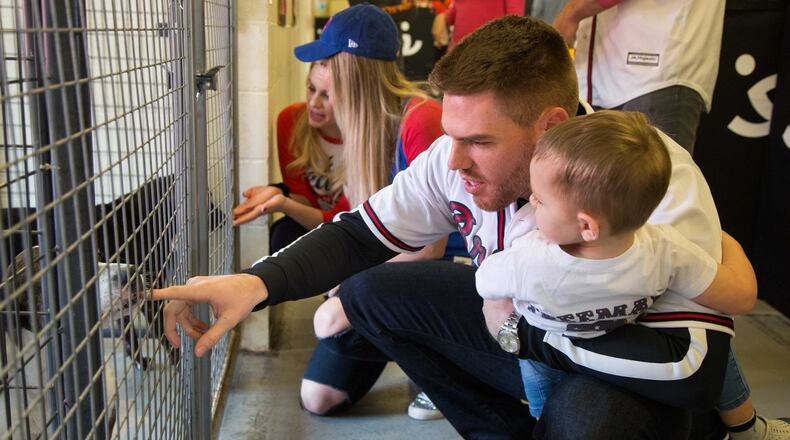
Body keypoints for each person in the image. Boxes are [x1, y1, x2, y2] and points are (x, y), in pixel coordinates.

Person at [154, 16, 746, 438]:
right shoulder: (450, 156)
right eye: (452, 133)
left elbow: (695, 373)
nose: (453, 159)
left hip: (624, 371)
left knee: (591, 416)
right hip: (524, 331)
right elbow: (361, 234)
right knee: (369, 292)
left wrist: (527, 336)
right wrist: (254, 284)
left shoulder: (651, 175)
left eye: (480, 141)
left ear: (550, 127)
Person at [475, 110, 790, 439]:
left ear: (587, 225)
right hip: (623, 342)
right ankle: (745, 428)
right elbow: (738, 298)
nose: (531, 203)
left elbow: (485, 283)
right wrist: (726, 243)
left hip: (543, 349)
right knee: (707, 324)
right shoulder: (666, 250)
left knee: (542, 405)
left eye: (539, 200)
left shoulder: (529, 259)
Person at [235, 4, 455, 418]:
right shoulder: (357, 125)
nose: (317, 93)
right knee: (320, 398)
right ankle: (387, 334)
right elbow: (355, 225)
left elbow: (430, 249)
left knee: (337, 309)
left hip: (451, 272)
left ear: (349, 71)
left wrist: (349, 284)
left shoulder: (419, 120)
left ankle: (445, 368)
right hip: (392, 267)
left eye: (326, 69)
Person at [553, 0, 724, 153]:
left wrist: (572, 12)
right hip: (599, 70)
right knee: (592, 185)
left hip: (659, 68)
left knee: (654, 184)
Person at [232, 62, 346, 253]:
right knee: (283, 233)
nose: (313, 103)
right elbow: (304, 198)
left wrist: (285, 204)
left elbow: (342, 221)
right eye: (311, 89)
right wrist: (279, 194)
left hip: (352, 228)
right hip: (318, 218)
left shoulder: (367, 139)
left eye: (326, 95)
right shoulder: (291, 120)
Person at [432, 0, 524, 50]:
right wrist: (443, 17)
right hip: (459, 54)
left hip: (489, 55)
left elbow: (515, 20)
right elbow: (459, 8)